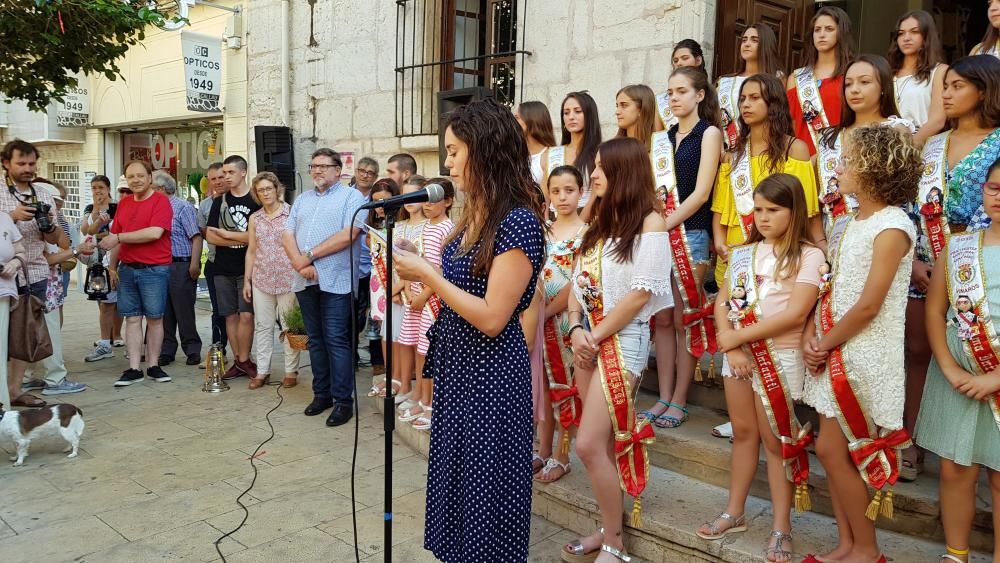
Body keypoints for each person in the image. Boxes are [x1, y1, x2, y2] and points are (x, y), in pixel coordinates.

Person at [392, 97, 545, 562]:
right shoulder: (473, 216)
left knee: (486, 495)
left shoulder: (517, 221)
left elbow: (494, 317)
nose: (448, 162)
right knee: (458, 487)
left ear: (486, 150)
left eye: (456, 150)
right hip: (459, 370)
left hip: (492, 378)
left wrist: (429, 276)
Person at [800, 125, 921, 563]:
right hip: (837, 346)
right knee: (834, 452)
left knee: (838, 449)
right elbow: (835, 288)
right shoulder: (850, 221)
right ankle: (847, 544)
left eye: (848, 161)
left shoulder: (893, 225)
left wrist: (825, 343)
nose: (840, 167)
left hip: (865, 354)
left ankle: (867, 551)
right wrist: (816, 334)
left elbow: (870, 304)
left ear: (874, 168)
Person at [697, 174, 825, 563]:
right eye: (759, 210)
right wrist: (729, 341)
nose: (763, 218)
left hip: (780, 358)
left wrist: (738, 338)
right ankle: (734, 511)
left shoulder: (810, 255)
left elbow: (796, 312)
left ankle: (781, 526)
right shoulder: (742, 253)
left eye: (773, 210)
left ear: (795, 211)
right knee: (744, 433)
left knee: (777, 443)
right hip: (739, 357)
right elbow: (721, 303)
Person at [559, 137, 672, 562]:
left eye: (603, 167)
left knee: (587, 444)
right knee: (599, 446)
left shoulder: (651, 224)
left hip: (622, 342)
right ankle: (607, 527)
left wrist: (594, 334)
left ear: (625, 171)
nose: (594, 175)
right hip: (588, 336)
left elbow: (641, 294)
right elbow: (576, 282)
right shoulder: (599, 221)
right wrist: (574, 328)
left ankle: (615, 543)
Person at [905, 55, 1000, 480]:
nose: (946, 93)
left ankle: (974, 450)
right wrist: (914, 261)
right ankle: (910, 442)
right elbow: (912, 205)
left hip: (977, 271)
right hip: (925, 262)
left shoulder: (999, 141)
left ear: (984, 90)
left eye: (957, 86)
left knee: (976, 354)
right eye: (945, 86)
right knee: (917, 351)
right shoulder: (933, 142)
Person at [916, 159, 1000, 563]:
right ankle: (956, 553)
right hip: (957, 376)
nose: (999, 196)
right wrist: (949, 366)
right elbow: (935, 312)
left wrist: (996, 378)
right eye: (995, 188)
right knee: (954, 470)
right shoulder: (960, 246)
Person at [645, 67, 723, 429]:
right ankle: (662, 396)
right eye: (670, 92)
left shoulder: (709, 134)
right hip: (662, 233)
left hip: (691, 233)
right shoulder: (663, 139)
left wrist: (667, 223)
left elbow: (703, 193)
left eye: (681, 91)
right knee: (661, 317)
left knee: (685, 318)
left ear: (700, 95)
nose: (674, 98)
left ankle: (680, 399)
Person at [283, 148, 368, 427]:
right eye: (313, 166)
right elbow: (288, 234)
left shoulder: (352, 197)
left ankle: (344, 401)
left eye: (323, 166)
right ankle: (322, 395)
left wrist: (309, 256)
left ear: (338, 169)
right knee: (315, 340)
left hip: (337, 280)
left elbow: (349, 234)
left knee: (336, 340)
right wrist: (299, 263)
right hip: (304, 279)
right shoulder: (302, 199)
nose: (317, 171)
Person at [713, 74, 821, 289]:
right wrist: (719, 243)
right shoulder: (731, 155)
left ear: (773, 103)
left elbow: (807, 210)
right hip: (734, 253)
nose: (746, 104)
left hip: (779, 255)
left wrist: (821, 246)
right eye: (743, 99)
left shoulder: (794, 149)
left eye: (754, 98)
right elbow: (720, 210)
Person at [0, 139, 72, 406]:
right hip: (3, 274)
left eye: (32, 163)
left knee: (24, 334)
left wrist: (49, 226)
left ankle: (15, 389)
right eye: (21, 163)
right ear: (6, 163)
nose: (27, 168)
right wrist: (12, 215)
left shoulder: (42, 193)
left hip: (36, 273)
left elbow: (63, 242)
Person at [816, 54, 914, 234]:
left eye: (864, 82)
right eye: (848, 84)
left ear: (884, 87)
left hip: (880, 233)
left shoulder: (896, 129)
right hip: (831, 234)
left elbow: (898, 189)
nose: (854, 89)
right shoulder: (829, 136)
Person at [100, 160, 174, 387]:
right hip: (128, 269)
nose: (136, 180)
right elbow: (116, 239)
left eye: (140, 175)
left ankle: (153, 365)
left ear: (150, 177)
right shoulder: (124, 204)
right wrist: (112, 266)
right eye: (131, 177)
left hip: (154, 269)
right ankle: (133, 368)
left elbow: (154, 232)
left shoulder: (161, 201)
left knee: (154, 318)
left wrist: (119, 238)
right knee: (132, 318)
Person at [535, 165, 586, 483]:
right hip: (538, 323)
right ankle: (543, 448)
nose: (563, 197)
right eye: (556, 191)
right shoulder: (543, 231)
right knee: (541, 387)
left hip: (566, 321)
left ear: (581, 192)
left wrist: (548, 311)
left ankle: (563, 455)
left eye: (569, 190)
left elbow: (577, 282)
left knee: (563, 388)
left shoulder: (587, 232)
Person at [399, 177, 456, 431]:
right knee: (419, 350)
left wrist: (425, 294)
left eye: (435, 200)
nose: (429, 204)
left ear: (448, 202)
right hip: (419, 296)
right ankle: (422, 398)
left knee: (430, 352)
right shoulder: (425, 227)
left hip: (434, 299)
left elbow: (443, 269)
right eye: (426, 199)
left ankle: (432, 404)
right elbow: (420, 259)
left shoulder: (448, 228)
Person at [244, 172, 300, 389]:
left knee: (289, 327)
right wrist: (247, 280)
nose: (265, 193)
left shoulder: (291, 214)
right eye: (261, 190)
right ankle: (262, 371)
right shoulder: (255, 219)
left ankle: (290, 371)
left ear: (277, 189)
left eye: (269, 188)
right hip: (262, 278)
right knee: (263, 326)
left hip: (288, 278)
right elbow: (251, 250)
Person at [206, 155, 261, 379]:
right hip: (222, 267)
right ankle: (239, 360)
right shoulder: (219, 202)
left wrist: (229, 235)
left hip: (249, 268)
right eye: (224, 173)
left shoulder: (256, 200)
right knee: (230, 315)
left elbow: (262, 236)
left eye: (230, 173)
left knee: (247, 315)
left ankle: (245, 358)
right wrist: (244, 238)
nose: (226, 177)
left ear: (243, 172)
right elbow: (211, 236)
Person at [786, 6, 855, 155]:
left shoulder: (853, 74)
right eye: (817, 30)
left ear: (841, 33)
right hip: (803, 163)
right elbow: (790, 126)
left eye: (829, 29)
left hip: (840, 160)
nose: (821, 35)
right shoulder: (796, 78)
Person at [152, 170, 203, 366]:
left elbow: (196, 237)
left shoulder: (182, 207)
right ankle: (166, 350)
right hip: (160, 264)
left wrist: (194, 263)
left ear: (162, 189)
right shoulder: (155, 208)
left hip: (180, 263)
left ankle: (192, 349)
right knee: (164, 310)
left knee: (184, 310)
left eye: (152, 188)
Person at [391, 175, 428, 414]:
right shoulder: (399, 226)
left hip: (420, 292)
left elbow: (424, 260)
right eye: (406, 196)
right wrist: (396, 288)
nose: (410, 201)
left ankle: (420, 392)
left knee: (421, 345)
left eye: (415, 195)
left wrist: (403, 284)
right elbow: (394, 259)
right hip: (400, 291)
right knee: (404, 341)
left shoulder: (428, 226)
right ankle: (404, 384)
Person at [717, 24, 783, 151]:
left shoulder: (778, 78)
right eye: (744, 40)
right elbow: (714, 120)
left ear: (766, 44)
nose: (747, 44)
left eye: (754, 40)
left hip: (762, 150)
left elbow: (781, 116)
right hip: (726, 151)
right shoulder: (724, 81)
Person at [366, 178, 403, 397]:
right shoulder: (374, 226)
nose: (379, 206)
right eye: (375, 201)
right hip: (378, 284)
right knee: (384, 331)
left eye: (384, 201)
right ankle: (389, 375)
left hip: (397, 285)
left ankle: (399, 377)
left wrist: (397, 288)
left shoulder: (400, 226)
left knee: (398, 332)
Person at [889, 10, 948, 147]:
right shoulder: (888, 72)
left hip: (924, 146)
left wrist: (908, 149)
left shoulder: (939, 71)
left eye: (914, 32)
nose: (906, 38)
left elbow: (938, 120)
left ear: (927, 36)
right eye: (901, 33)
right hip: (887, 145)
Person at [80, 175, 123, 361]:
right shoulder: (90, 209)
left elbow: (119, 232)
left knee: (121, 302)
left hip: (119, 258)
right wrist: (96, 211)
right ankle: (106, 342)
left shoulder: (118, 207)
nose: (97, 191)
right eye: (94, 188)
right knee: (104, 301)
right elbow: (87, 230)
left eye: (100, 187)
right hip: (98, 260)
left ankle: (119, 335)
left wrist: (105, 232)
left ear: (108, 188)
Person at [541, 91, 602, 220]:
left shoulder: (600, 153)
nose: (571, 117)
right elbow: (545, 196)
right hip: (554, 224)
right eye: (566, 112)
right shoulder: (553, 153)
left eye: (577, 111)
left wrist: (577, 229)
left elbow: (595, 197)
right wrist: (546, 223)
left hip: (587, 222)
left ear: (590, 115)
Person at [354, 156, 384, 372]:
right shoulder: (346, 196)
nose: (365, 175)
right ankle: (351, 356)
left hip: (374, 266)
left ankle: (377, 361)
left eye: (370, 173)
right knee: (353, 316)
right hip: (353, 264)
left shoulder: (378, 198)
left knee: (375, 314)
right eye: (362, 170)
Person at [198, 162, 228, 358]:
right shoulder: (205, 205)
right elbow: (204, 233)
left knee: (243, 315)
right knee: (218, 311)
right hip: (215, 263)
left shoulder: (243, 199)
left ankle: (245, 355)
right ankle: (218, 351)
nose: (217, 182)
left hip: (241, 264)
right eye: (213, 179)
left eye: (220, 177)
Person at [0, 209, 24, 409]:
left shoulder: (5, 218)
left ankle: (2, 405)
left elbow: (20, 251)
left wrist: (15, 262)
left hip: (3, 291)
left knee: (1, 351)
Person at [515, 101, 557, 186]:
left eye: (516, 117)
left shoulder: (550, 157)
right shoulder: (515, 154)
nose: (512, 121)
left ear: (531, 120)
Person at [615, 84, 660, 151]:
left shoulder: (660, 149)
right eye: (617, 106)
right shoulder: (611, 149)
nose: (617, 112)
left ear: (642, 109)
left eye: (624, 105)